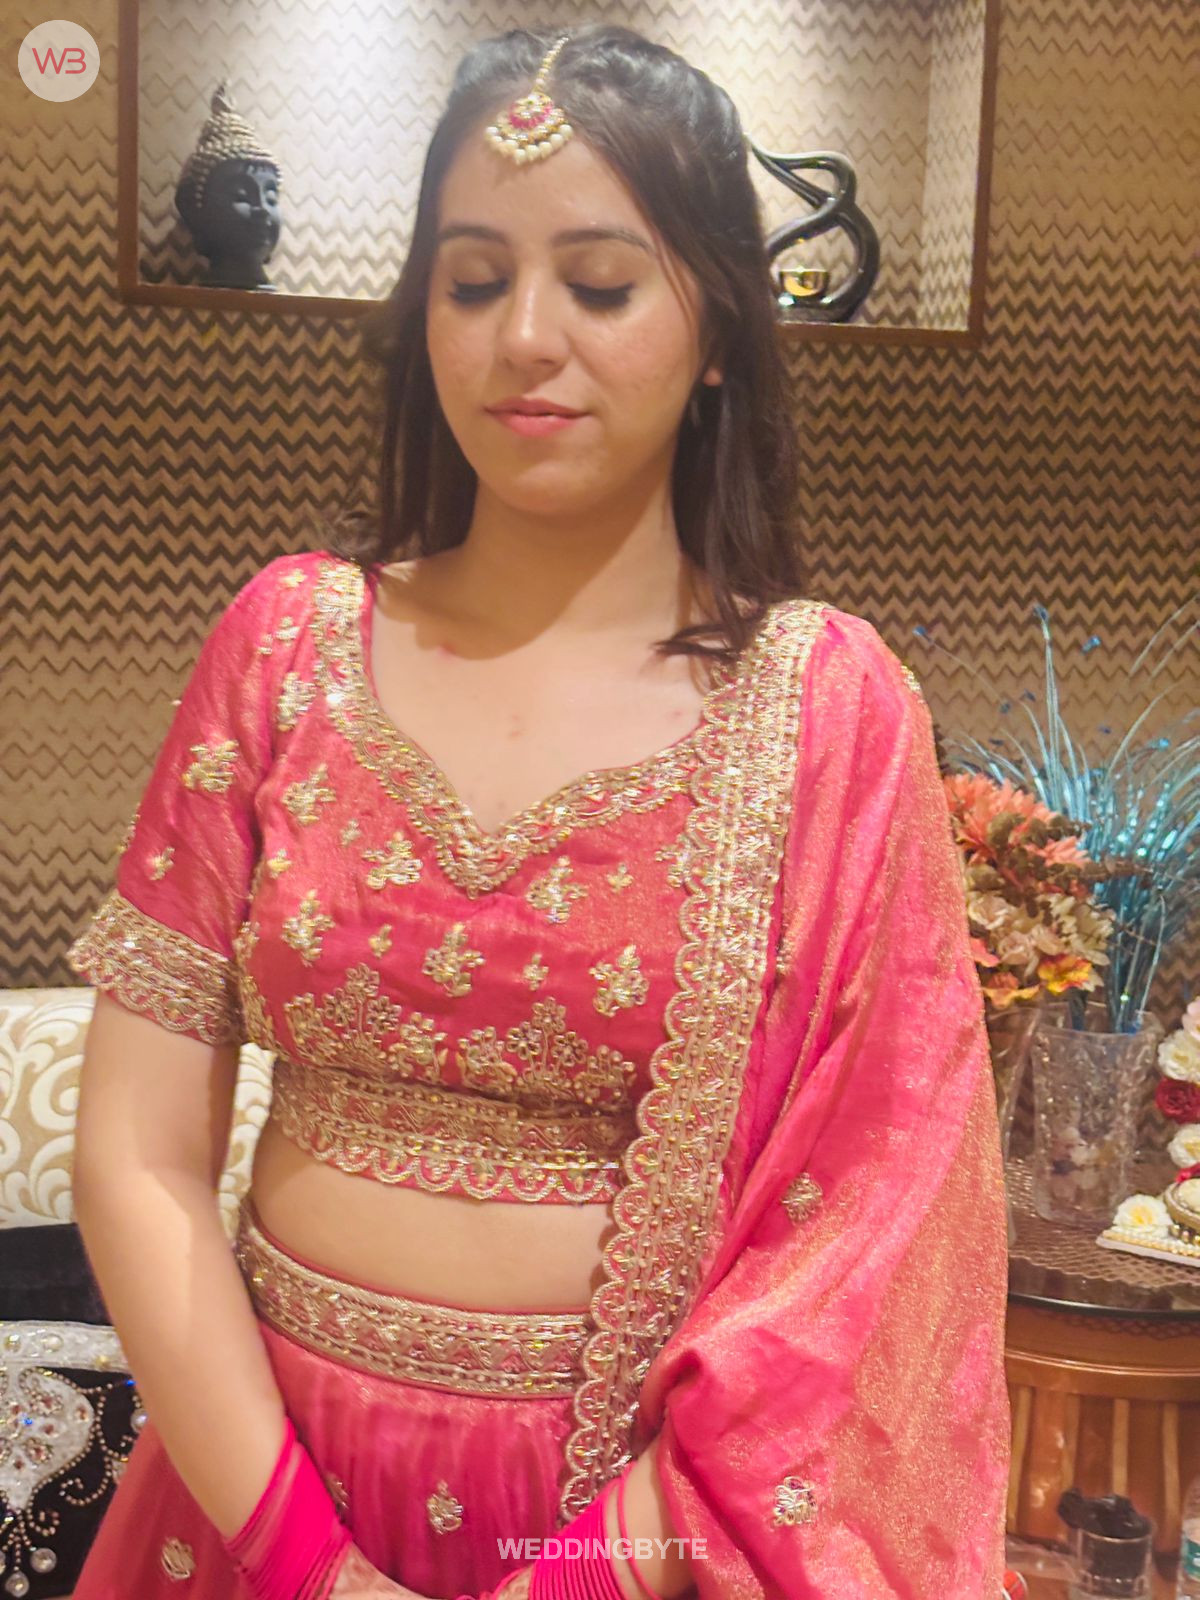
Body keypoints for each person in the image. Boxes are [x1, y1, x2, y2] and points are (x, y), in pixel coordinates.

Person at [65, 22, 1012, 1600]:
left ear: (719, 328)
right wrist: (309, 1567)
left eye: (601, 283)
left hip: (644, 1537)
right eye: (472, 279)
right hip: (258, 1496)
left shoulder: (827, 708)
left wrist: (585, 1576)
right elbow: (139, 1153)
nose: (522, 339)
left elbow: (873, 1221)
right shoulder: (286, 646)